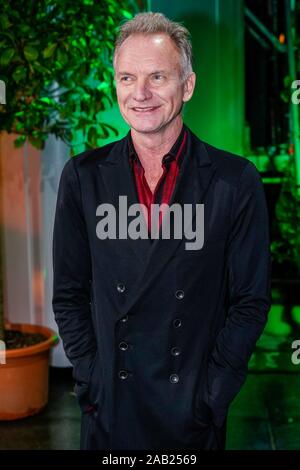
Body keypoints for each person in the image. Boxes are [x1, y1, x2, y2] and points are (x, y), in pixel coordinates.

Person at [52, 12, 272, 450]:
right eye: (127, 78)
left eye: (157, 76)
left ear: (187, 85)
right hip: (113, 405)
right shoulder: (84, 176)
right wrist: (92, 379)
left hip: (191, 409)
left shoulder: (234, 180)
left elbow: (249, 300)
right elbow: (70, 293)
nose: (141, 94)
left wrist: (215, 390)